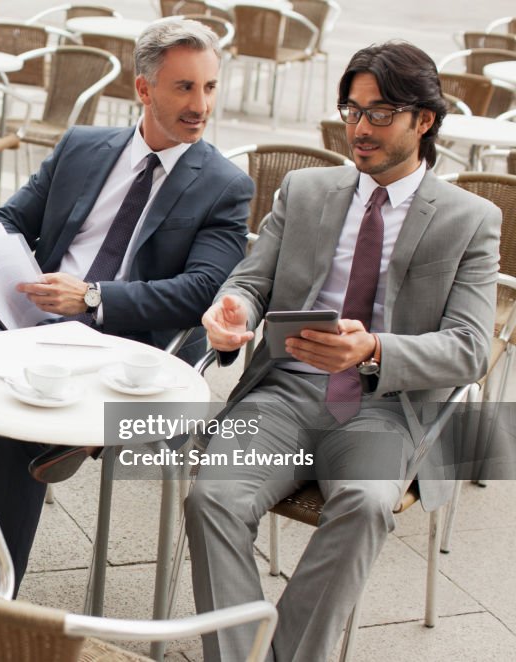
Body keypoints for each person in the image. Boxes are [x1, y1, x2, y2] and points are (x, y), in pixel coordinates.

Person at [0, 17, 254, 594]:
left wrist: (91, 299)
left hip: (115, 347)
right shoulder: (83, 146)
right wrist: (0, 259)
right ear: (144, 89)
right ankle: (42, 406)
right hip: (30, 326)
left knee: (17, 434)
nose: (201, 104)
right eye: (184, 87)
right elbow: (13, 219)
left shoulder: (223, 183)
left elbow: (202, 289)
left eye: (209, 87)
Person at [186, 41, 501, 661]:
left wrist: (375, 349)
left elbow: (468, 349)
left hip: (385, 407)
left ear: (424, 121)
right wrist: (233, 314)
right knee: (211, 497)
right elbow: (252, 281)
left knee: (365, 503)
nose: (359, 128)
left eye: (380, 113)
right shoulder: (304, 190)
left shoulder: (471, 219)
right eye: (352, 111)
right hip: (283, 392)